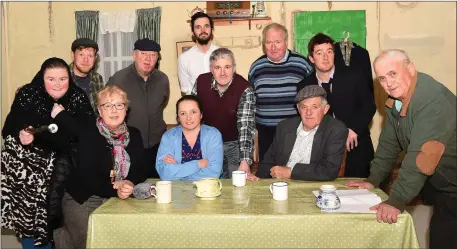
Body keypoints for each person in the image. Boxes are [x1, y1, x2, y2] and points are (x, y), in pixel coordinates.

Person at [347, 49, 456, 249]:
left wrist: (396, 200)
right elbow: (389, 144)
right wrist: (373, 180)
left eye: (393, 74)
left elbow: (422, 156)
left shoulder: (432, 100)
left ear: (411, 68)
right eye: (381, 78)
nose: (388, 82)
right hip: (447, 190)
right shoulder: (397, 102)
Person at [1, 57, 93, 249]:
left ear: (70, 78)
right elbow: (9, 128)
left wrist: (61, 117)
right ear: (42, 78)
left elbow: (86, 137)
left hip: (65, 174)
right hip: (29, 179)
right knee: (31, 229)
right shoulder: (28, 93)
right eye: (51, 79)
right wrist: (22, 134)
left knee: (62, 227)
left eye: (62, 79)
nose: (57, 84)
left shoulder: (78, 98)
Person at [51, 85, 149, 249]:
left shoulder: (135, 134)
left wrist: (130, 182)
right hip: (84, 196)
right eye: (107, 105)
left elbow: (141, 168)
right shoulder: (88, 132)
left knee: (132, 233)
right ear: (99, 110)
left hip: (119, 193)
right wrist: (116, 189)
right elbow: (87, 176)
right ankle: (63, 240)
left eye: (119, 105)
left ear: (126, 109)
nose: (114, 110)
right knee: (88, 237)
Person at [297, 33, 376, 178]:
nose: (325, 57)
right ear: (311, 58)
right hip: (321, 150)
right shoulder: (305, 86)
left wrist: (353, 129)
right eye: (319, 53)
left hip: (355, 145)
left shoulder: (354, 76)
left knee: (358, 193)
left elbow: (369, 106)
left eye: (329, 52)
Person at [248, 23, 314, 163]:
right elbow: (251, 101)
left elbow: (313, 97)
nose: (273, 47)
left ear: (285, 42)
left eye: (277, 42)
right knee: (267, 173)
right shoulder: (256, 67)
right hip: (266, 133)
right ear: (264, 44)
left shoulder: (302, 64)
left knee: (294, 171)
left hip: (295, 131)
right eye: (269, 42)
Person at [107, 38, 170, 178]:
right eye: (143, 54)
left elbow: (162, 103)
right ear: (134, 55)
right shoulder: (118, 79)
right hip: (129, 146)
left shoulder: (163, 79)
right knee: (132, 188)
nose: (148, 59)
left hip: (158, 146)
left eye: (153, 55)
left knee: (158, 187)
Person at [256, 85, 348, 181]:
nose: (308, 112)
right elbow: (267, 163)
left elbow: (329, 170)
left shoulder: (335, 129)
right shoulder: (285, 127)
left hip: (314, 186)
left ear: (325, 109)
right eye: (304, 107)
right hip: (281, 185)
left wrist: (291, 172)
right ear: (298, 109)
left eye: (314, 107)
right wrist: (258, 180)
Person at [192, 48, 256, 179]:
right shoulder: (201, 82)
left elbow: (245, 127)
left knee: (237, 183)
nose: (222, 73)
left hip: (235, 144)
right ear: (211, 68)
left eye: (227, 67)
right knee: (210, 182)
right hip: (209, 143)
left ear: (234, 68)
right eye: (217, 67)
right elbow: (192, 116)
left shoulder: (245, 89)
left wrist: (244, 161)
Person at [156, 95, 223, 180]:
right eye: (183, 113)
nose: (188, 118)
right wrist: (198, 164)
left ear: (201, 114)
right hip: (176, 191)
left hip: (208, 191)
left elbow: (214, 173)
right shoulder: (169, 137)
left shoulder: (213, 135)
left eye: (193, 112)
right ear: (178, 118)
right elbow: (164, 173)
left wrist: (177, 169)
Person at [178, 12, 219, 95]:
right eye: (198, 27)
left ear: (212, 29)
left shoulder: (224, 54)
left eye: (206, 26)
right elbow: (185, 91)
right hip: (196, 106)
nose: (203, 31)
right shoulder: (184, 58)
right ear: (193, 32)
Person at [70, 38, 104, 113]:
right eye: (81, 54)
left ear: (95, 58)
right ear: (73, 56)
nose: (85, 60)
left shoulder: (97, 78)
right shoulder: (61, 78)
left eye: (90, 56)